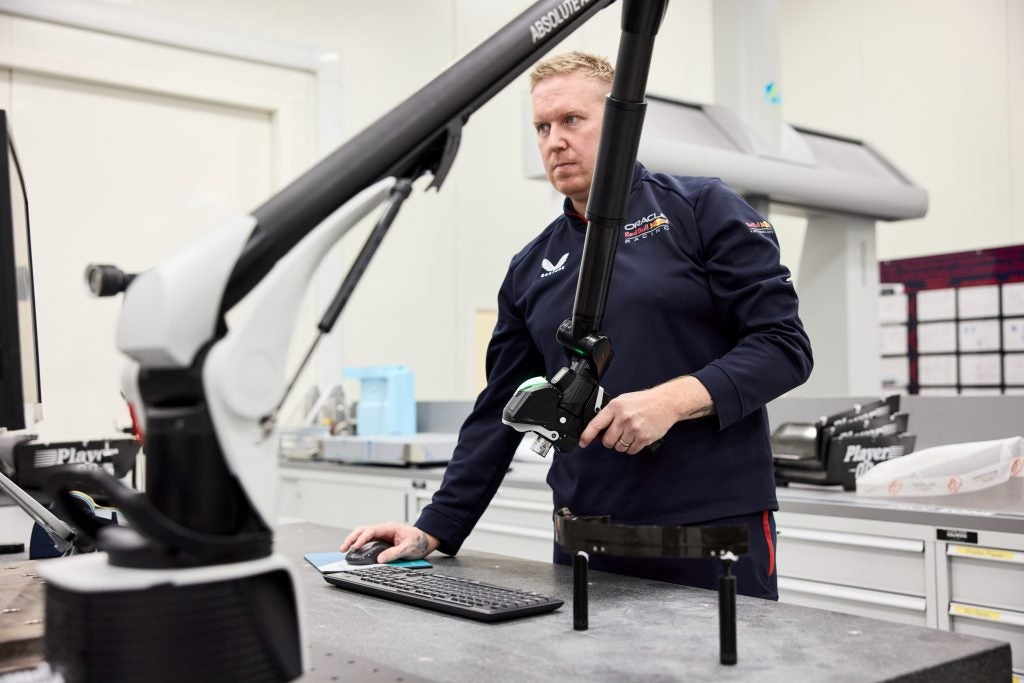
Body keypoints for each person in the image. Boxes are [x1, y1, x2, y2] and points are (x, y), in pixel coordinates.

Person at [341, 50, 813, 599]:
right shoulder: (531, 266)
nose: (554, 141)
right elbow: (500, 409)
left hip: (711, 538)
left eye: (571, 120)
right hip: (584, 543)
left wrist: (671, 401)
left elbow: (783, 346)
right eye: (542, 127)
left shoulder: (702, 209)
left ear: (621, 125)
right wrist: (433, 529)